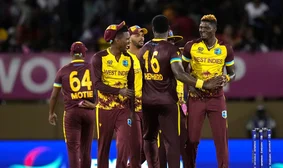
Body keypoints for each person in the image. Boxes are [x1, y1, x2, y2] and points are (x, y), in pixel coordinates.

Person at [138, 15, 223, 168]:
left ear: (153, 29)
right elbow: (179, 74)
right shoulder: (171, 49)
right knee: (172, 142)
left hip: (147, 102)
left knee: (149, 138)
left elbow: (138, 77)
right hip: (167, 102)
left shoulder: (143, 49)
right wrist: (203, 84)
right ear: (168, 29)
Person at [182, 14, 236, 168]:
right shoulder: (191, 46)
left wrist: (227, 78)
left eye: (206, 28)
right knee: (192, 139)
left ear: (214, 29)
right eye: (200, 27)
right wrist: (191, 86)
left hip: (216, 98)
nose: (202, 30)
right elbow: (182, 71)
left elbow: (232, 72)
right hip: (196, 97)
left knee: (221, 139)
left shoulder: (225, 48)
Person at [91, 21, 138, 168]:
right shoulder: (99, 58)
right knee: (103, 147)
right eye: (126, 40)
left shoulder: (128, 59)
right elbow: (97, 85)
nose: (128, 42)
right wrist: (118, 91)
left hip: (123, 110)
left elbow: (131, 86)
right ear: (117, 40)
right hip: (104, 109)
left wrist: (131, 110)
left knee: (123, 144)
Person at [49, 41, 95, 168]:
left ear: (71, 53)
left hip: (72, 113)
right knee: (86, 150)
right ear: (84, 54)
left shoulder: (63, 71)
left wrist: (51, 113)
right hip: (89, 111)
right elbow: (102, 89)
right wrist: (96, 105)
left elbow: (54, 96)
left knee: (73, 148)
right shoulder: (92, 68)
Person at [158, 30, 188, 168]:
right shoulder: (156, 59)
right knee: (161, 147)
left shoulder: (179, 58)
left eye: (173, 42)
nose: (172, 44)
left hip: (180, 108)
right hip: (162, 107)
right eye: (169, 41)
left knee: (184, 144)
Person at [126, 25, 148, 167]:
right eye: (137, 35)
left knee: (148, 147)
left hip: (147, 107)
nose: (142, 37)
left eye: (143, 35)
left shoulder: (147, 57)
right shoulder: (124, 58)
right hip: (130, 109)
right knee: (135, 147)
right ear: (129, 38)